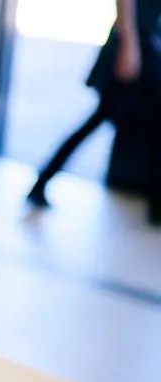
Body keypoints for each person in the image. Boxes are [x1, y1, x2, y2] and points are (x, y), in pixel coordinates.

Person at [27, 0, 161, 225]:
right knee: (102, 119)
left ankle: (42, 181)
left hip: (144, 47)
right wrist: (129, 44)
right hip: (133, 48)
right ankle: (42, 181)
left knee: (145, 127)